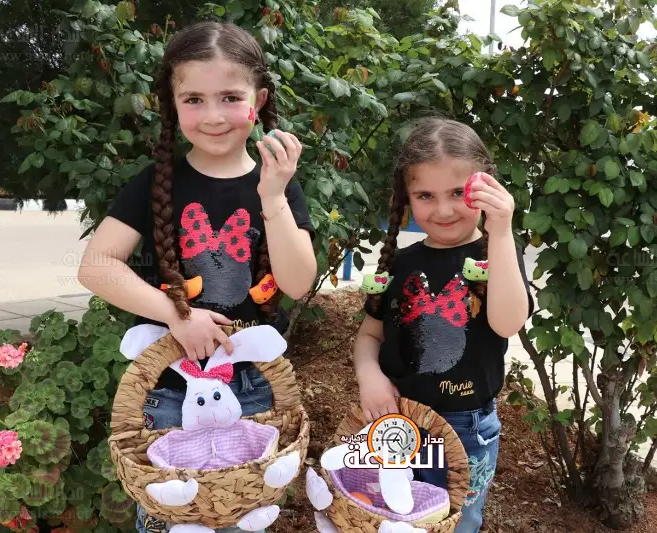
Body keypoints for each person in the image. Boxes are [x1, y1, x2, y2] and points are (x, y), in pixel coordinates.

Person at [77, 21, 317, 533]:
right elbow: (96, 265)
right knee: (174, 516)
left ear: (259, 101)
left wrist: (273, 197)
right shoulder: (153, 184)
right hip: (169, 390)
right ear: (172, 103)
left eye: (230, 97)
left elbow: (298, 283)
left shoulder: (278, 186)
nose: (212, 116)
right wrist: (176, 316)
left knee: (244, 514)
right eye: (194, 99)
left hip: (254, 388)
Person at [353, 117, 534, 533]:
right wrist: (368, 374)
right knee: (392, 517)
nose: (444, 210)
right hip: (397, 420)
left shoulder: (497, 256)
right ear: (407, 197)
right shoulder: (399, 264)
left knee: (455, 524)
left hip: (465, 430)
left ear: (485, 186)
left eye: (457, 192)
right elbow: (369, 334)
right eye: (425, 196)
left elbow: (508, 324)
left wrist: (501, 232)